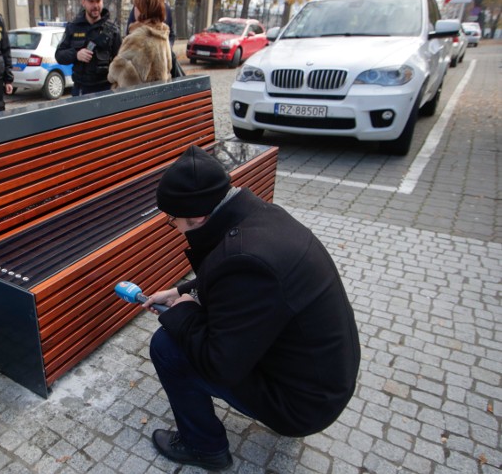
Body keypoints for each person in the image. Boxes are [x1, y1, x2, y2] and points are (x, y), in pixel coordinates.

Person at [143, 145, 361, 471]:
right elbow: (237, 290)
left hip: (304, 405)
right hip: (322, 379)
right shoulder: (260, 218)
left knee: (167, 347)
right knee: (188, 327)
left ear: (199, 218)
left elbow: (219, 365)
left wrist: (181, 312)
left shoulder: (245, 260)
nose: (173, 228)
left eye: (172, 221)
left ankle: (203, 447)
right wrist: (180, 291)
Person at [54, 0, 122, 96]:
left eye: (98, 1)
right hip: (81, 89)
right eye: (91, 1)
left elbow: (121, 62)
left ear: (102, 2)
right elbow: (59, 55)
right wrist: (76, 54)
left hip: (106, 89)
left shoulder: (112, 31)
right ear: (83, 2)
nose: (95, 5)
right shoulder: (73, 27)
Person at [108, 0, 172, 89]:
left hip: (134, 101)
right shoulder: (163, 34)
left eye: (136, 6)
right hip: (158, 98)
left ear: (143, 9)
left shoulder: (138, 37)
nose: (134, 9)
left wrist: (116, 69)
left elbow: (116, 71)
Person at [125, 0, 182, 78]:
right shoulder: (138, 9)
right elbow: (129, 33)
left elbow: (171, 34)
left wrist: (166, 48)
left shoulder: (167, 9)